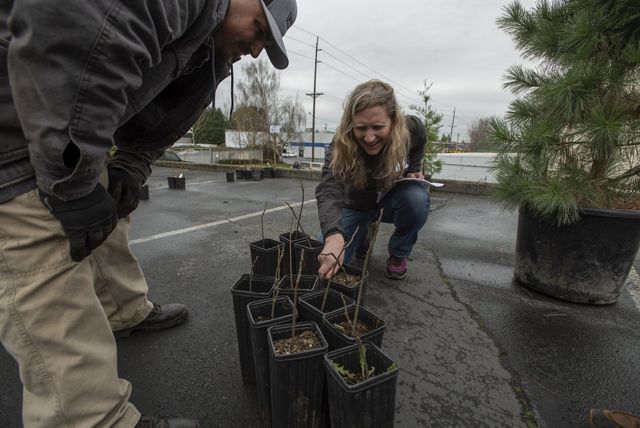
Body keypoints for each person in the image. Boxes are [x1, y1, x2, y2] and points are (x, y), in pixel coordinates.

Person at [0, 0, 297, 426]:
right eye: (260, 31)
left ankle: (123, 309)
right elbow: (73, 34)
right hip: (16, 130)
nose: (255, 51)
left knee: (106, 204)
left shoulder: (206, 48)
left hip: (53, 124)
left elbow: (159, 121)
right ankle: (92, 418)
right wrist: (72, 180)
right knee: (44, 253)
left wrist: (128, 165)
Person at [316, 79, 430, 281]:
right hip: (356, 204)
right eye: (361, 128)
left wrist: (413, 169)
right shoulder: (340, 145)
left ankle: (398, 253)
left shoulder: (411, 129)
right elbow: (328, 189)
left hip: (391, 199)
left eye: (378, 127)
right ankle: (362, 236)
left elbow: (420, 141)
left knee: (417, 198)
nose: (369, 138)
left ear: (394, 122)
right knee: (326, 263)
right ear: (351, 125)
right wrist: (333, 235)